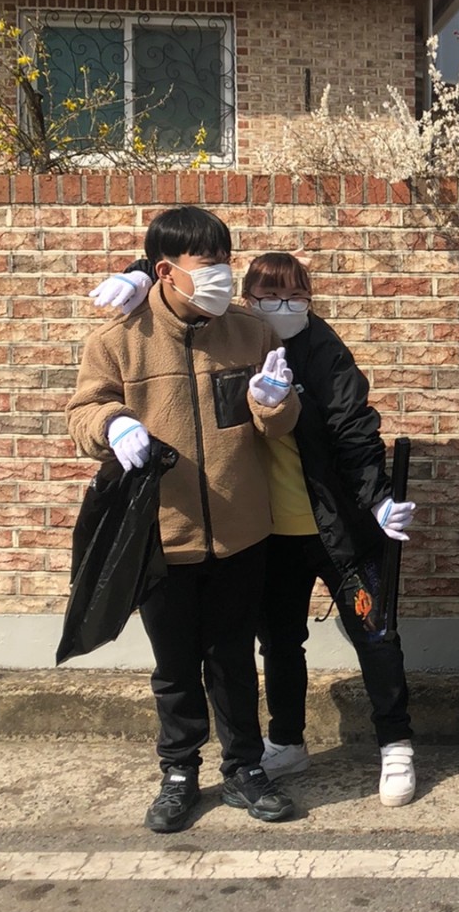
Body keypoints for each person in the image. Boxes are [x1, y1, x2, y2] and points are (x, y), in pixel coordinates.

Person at [89, 252, 419, 807]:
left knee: (374, 633)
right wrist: (141, 271)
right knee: (280, 642)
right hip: (265, 532)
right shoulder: (235, 338)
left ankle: (396, 744)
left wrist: (378, 499)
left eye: (296, 297)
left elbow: (354, 430)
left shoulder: (323, 349)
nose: (283, 307)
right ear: (247, 299)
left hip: (337, 526)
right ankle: (287, 740)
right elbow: (183, 264)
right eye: (269, 297)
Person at [67, 206, 300, 834]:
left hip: (241, 530)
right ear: (165, 271)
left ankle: (245, 767)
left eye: (226, 259)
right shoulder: (119, 339)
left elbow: (278, 424)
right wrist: (112, 423)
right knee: (174, 666)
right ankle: (178, 772)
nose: (223, 273)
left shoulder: (251, 332)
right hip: (161, 535)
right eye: (208, 263)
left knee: (232, 659)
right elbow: (82, 413)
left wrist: (274, 406)